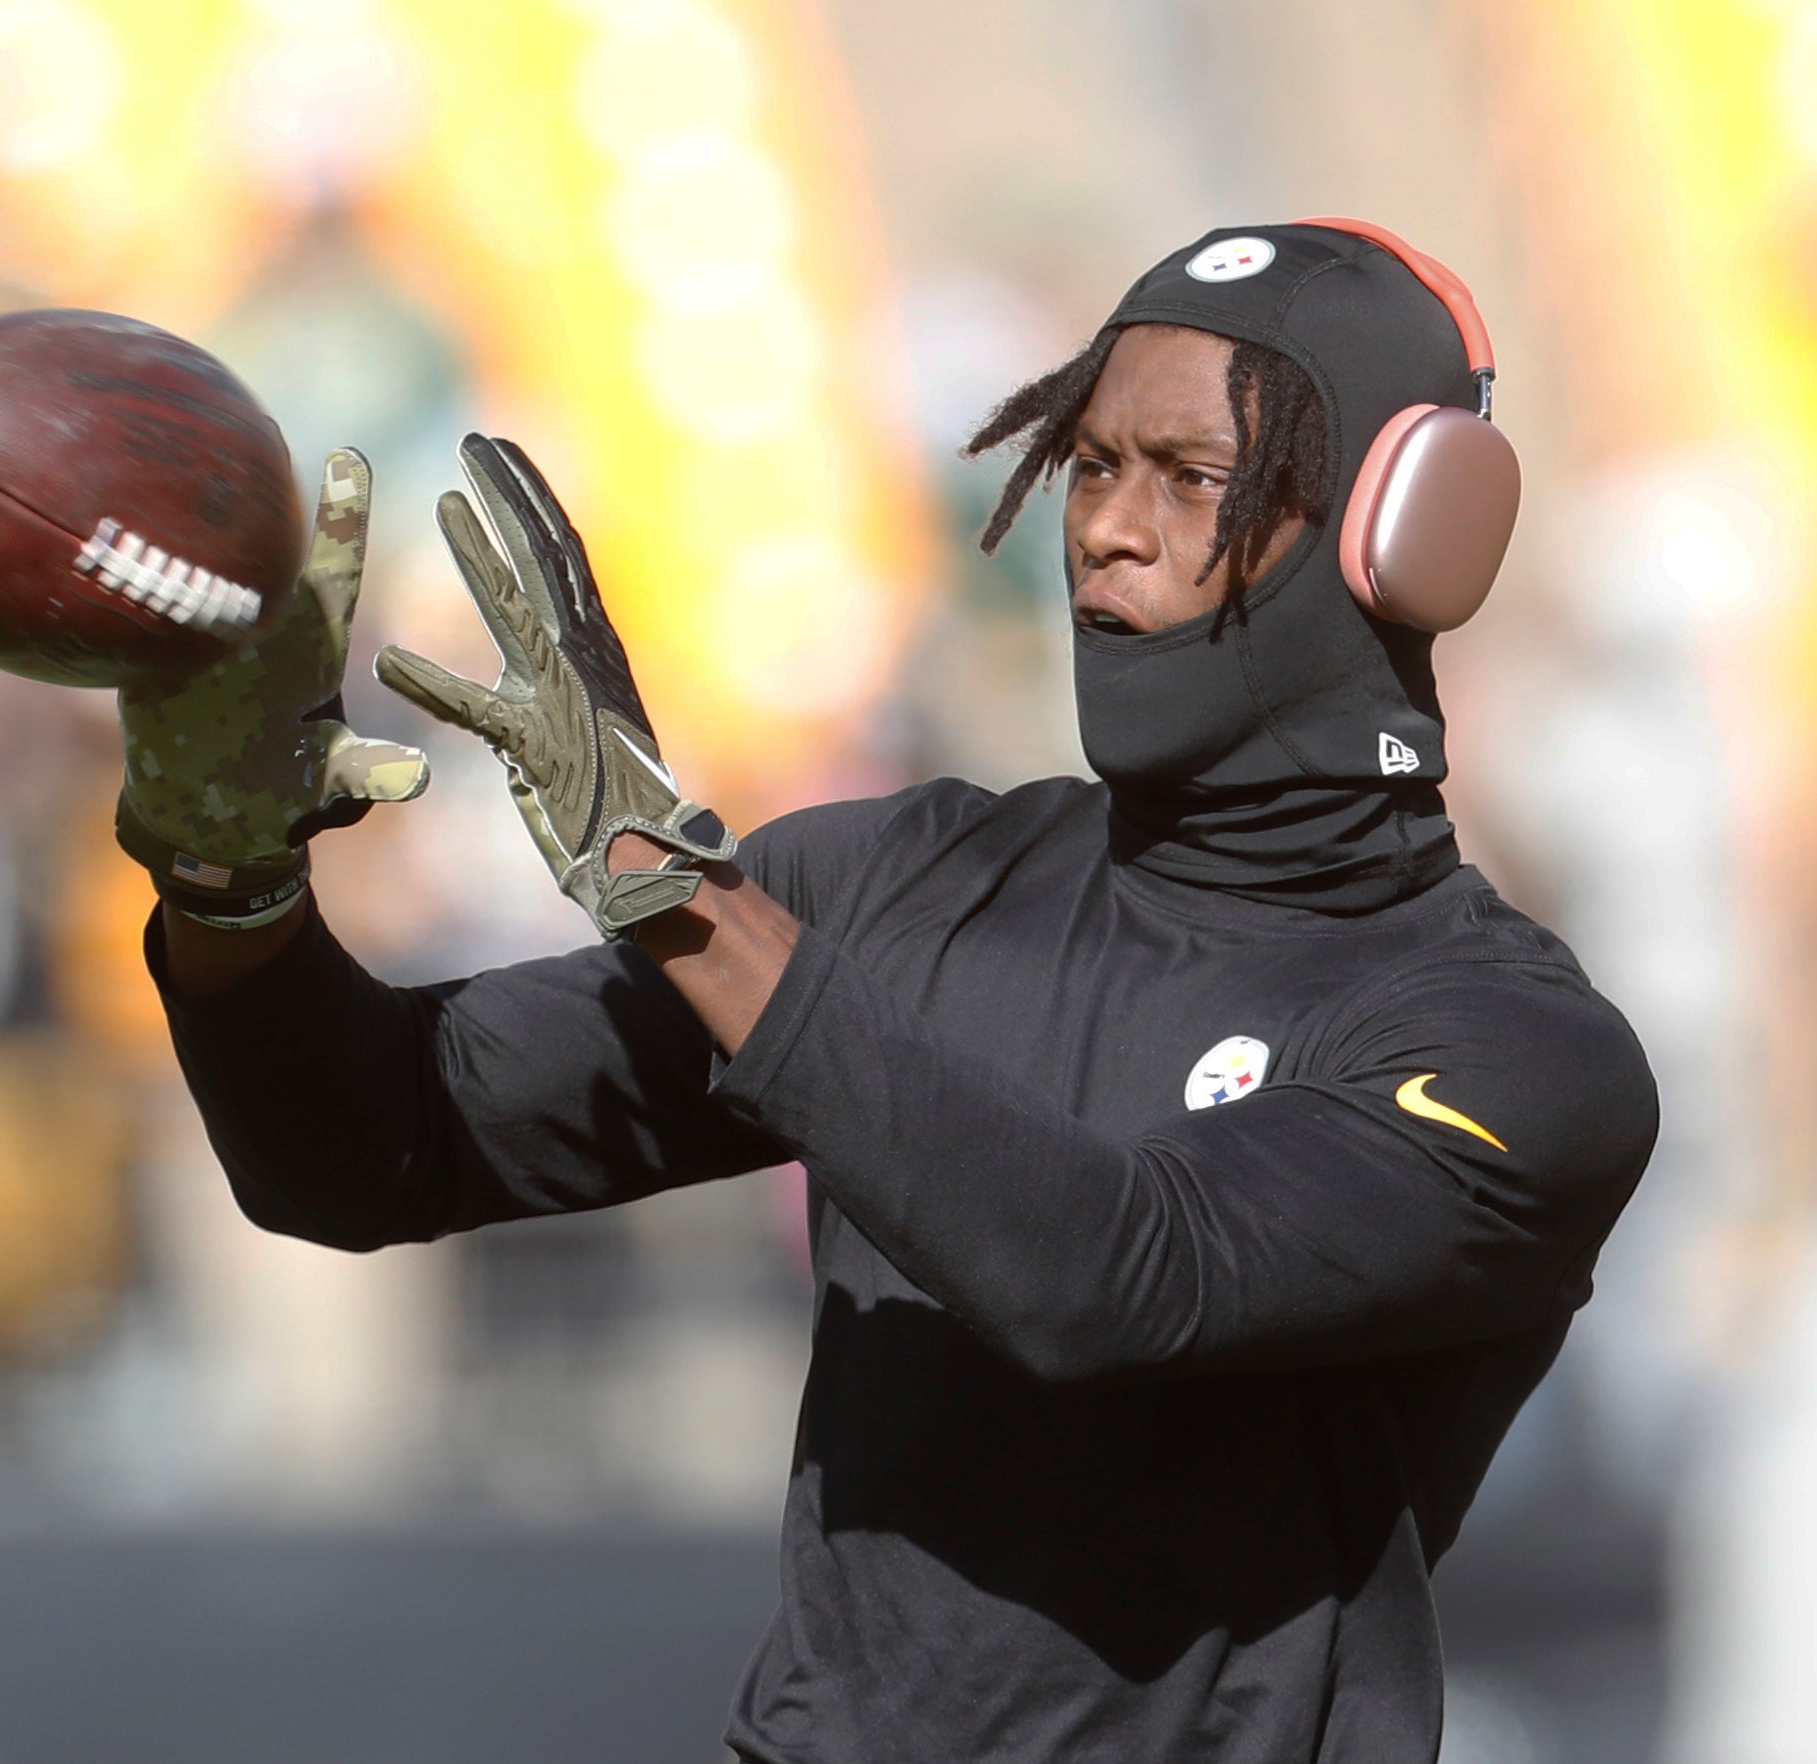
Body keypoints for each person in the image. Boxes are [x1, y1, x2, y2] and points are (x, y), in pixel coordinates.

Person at [111, 222, 1659, 1763]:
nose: (1108, 529)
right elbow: (364, 1145)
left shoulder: (1516, 1050)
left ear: (1414, 533)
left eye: (1195, 479)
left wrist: (682, 893)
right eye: (1089, 463)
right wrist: (233, 892)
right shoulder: (894, 889)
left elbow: (1109, 1278)